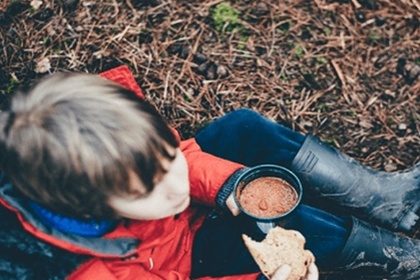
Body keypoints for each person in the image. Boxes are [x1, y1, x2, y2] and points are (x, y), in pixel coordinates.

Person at [0, 65, 418, 280]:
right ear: (89, 206)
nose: (177, 184)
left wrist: (227, 185)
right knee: (297, 227)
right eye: (152, 186)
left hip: (174, 223)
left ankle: (387, 199)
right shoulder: (92, 272)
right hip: (184, 263)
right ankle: (400, 260)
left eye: (167, 159)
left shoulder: (116, 138)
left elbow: (182, 154)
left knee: (242, 128)